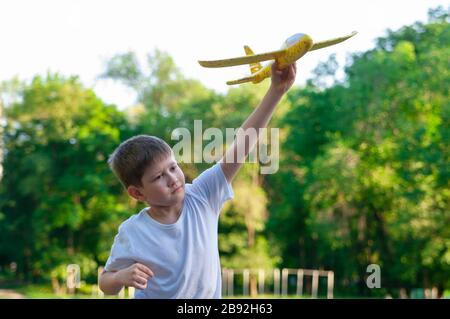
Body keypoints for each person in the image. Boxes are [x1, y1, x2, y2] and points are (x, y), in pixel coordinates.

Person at [98, 62, 297, 298]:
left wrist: (276, 91)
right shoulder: (133, 231)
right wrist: (121, 276)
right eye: (159, 177)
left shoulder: (202, 195)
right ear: (138, 193)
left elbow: (240, 147)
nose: (173, 179)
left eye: (173, 167)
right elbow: (105, 282)